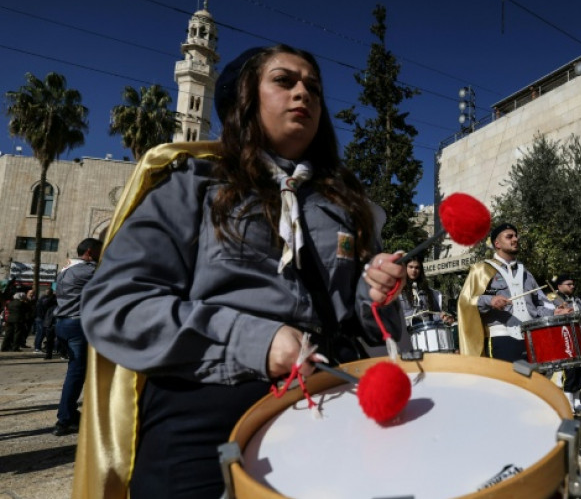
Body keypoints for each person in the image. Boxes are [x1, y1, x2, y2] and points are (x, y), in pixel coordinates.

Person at [75, 45, 405, 499]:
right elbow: (115, 305)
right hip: (207, 403)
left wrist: (377, 291)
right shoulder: (192, 184)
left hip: (330, 393)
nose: (303, 94)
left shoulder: (349, 205)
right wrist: (256, 341)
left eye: (313, 86)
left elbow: (368, 324)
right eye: (284, 81)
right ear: (244, 100)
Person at [456, 223, 567, 361]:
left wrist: (554, 312)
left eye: (516, 236)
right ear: (497, 244)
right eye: (509, 237)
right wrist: (490, 300)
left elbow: (538, 304)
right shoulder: (482, 270)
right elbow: (466, 301)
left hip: (531, 338)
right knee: (505, 382)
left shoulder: (526, 273)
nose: (515, 239)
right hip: (501, 338)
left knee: (531, 381)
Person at [51, 237, 102, 435]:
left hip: (62, 323)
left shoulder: (65, 271)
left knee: (75, 371)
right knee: (76, 372)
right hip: (77, 324)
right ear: (89, 252)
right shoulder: (89, 271)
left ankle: (69, 413)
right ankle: (64, 419)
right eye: (98, 251)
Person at [547, 273, 581, 415]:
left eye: (573, 284)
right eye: (569, 284)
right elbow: (548, 317)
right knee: (569, 371)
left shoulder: (577, 300)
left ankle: (577, 402)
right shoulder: (552, 299)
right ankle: (568, 404)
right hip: (565, 338)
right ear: (559, 286)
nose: (573, 286)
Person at [398, 255, 454, 327]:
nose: (414, 270)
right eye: (411, 267)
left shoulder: (427, 291)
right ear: (405, 268)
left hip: (425, 331)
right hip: (405, 333)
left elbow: (433, 315)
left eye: (417, 267)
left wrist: (442, 317)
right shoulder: (397, 290)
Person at [33, 289, 56, 353]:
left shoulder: (42, 298)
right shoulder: (47, 299)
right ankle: (37, 348)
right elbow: (46, 305)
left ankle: (37, 347)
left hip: (39, 317)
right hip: (42, 318)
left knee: (40, 333)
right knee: (41, 333)